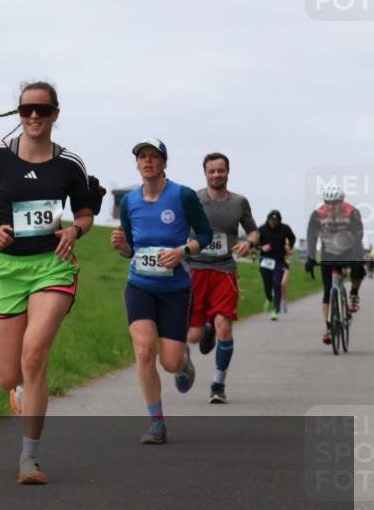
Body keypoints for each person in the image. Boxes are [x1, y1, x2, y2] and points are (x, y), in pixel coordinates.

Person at [0, 81, 104, 484]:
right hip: (4, 270)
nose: (35, 117)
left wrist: (75, 230)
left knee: (35, 353)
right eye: (27, 110)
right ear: (18, 114)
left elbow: (86, 214)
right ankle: (20, 388)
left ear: (56, 114)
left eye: (42, 110)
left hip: (51, 266)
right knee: (10, 375)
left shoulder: (69, 164)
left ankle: (29, 459)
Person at [111, 138, 212, 444]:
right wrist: (122, 247)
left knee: (169, 362)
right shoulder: (129, 202)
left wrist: (183, 250)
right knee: (143, 350)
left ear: (164, 163)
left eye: (154, 156)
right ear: (138, 163)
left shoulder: (182, 196)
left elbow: (205, 234)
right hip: (140, 285)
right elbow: (130, 248)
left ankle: (183, 360)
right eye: (142, 157)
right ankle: (156, 422)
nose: (148, 161)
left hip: (176, 289)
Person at [185, 153, 259, 404]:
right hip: (195, 269)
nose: (216, 175)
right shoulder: (193, 199)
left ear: (228, 172)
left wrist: (249, 242)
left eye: (221, 170)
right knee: (193, 336)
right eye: (211, 171)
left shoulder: (239, 202)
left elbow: (253, 230)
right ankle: (200, 335)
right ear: (204, 173)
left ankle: (218, 383)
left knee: (224, 326)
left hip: (224, 269)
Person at [305, 184, 366, 344]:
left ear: (342, 201)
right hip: (328, 252)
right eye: (328, 203)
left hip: (349, 249)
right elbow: (311, 236)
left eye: (335, 203)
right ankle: (329, 328)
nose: (331, 207)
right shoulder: (317, 214)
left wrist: (358, 258)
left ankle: (353, 293)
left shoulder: (352, 212)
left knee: (359, 270)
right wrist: (310, 257)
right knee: (327, 291)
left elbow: (358, 236)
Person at [258, 210, 295, 321]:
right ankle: (269, 298)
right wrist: (261, 247)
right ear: (268, 220)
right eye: (271, 221)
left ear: (279, 221)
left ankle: (275, 310)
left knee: (277, 283)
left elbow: (292, 238)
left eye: (276, 222)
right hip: (265, 260)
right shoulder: (261, 229)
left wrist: (289, 246)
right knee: (267, 284)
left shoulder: (285, 228)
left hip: (279, 260)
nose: (273, 223)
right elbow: (254, 244)